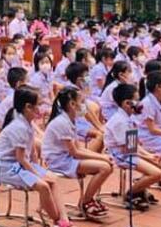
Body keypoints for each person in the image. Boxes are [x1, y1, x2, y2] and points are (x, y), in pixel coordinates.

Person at [0, 86, 83, 227]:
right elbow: (21, 158)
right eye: (39, 105)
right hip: (7, 167)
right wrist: (38, 175)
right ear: (28, 107)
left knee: (53, 180)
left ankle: (64, 219)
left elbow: (32, 153)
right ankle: (58, 221)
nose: (41, 108)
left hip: (21, 165)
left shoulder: (26, 123)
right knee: (43, 186)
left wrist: (39, 169)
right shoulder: (19, 127)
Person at [41, 87, 112, 220]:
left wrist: (102, 157)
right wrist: (102, 157)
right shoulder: (62, 122)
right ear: (72, 104)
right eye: (82, 102)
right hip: (59, 161)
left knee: (107, 165)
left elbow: (79, 148)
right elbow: (75, 152)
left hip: (67, 158)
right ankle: (86, 201)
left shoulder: (69, 119)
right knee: (105, 167)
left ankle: (87, 200)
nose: (85, 106)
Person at [104, 84, 161, 210]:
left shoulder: (129, 118)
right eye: (136, 99)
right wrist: (147, 157)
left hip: (130, 152)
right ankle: (131, 194)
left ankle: (140, 188)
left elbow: (133, 143)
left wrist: (149, 155)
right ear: (127, 103)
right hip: (121, 156)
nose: (139, 103)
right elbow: (126, 148)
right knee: (157, 173)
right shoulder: (120, 122)